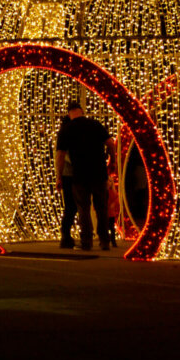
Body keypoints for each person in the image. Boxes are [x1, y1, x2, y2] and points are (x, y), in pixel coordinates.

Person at [56, 100, 117, 251]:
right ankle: (104, 240)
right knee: (101, 207)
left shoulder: (66, 129)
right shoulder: (95, 124)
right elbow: (110, 143)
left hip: (80, 175)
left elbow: (60, 155)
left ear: (69, 113)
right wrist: (112, 161)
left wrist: (59, 176)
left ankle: (87, 241)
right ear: (81, 111)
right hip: (99, 172)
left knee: (83, 208)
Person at [56, 116, 77, 249]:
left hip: (66, 175)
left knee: (71, 206)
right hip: (70, 175)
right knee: (72, 206)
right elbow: (63, 157)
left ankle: (66, 235)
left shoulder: (61, 137)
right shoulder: (67, 137)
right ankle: (65, 235)